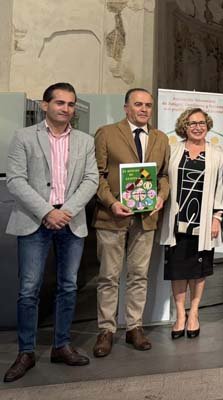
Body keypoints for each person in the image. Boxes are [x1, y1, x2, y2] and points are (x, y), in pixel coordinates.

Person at [4, 83, 98, 382]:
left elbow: (91, 179)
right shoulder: (23, 136)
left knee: (68, 287)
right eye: (59, 103)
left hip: (70, 220)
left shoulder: (85, 141)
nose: (65, 109)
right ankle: (26, 352)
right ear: (45, 105)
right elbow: (15, 181)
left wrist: (65, 210)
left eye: (70, 104)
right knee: (28, 290)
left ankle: (61, 345)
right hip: (35, 220)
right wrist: (47, 212)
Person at [93, 88, 170, 357]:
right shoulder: (107, 133)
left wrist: (161, 196)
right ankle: (106, 330)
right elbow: (97, 175)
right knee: (109, 277)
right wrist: (111, 202)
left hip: (146, 218)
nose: (144, 109)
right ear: (126, 107)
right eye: (138, 104)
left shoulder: (160, 138)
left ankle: (134, 327)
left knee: (139, 275)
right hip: (112, 216)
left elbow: (163, 176)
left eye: (148, 105)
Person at [159, 108, 223, 339]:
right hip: (176, 222)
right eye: (192, 123)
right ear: (184, 127)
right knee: (177, 270)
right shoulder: (173, 150)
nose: (197, 127)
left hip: (203, 222)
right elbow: (163, 180)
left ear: (207, 125)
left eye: (201, 122)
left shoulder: (217, 153)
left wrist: (217, 217)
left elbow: (221, 187)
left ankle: (194, 313)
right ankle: (179, 315)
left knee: (198, 271)